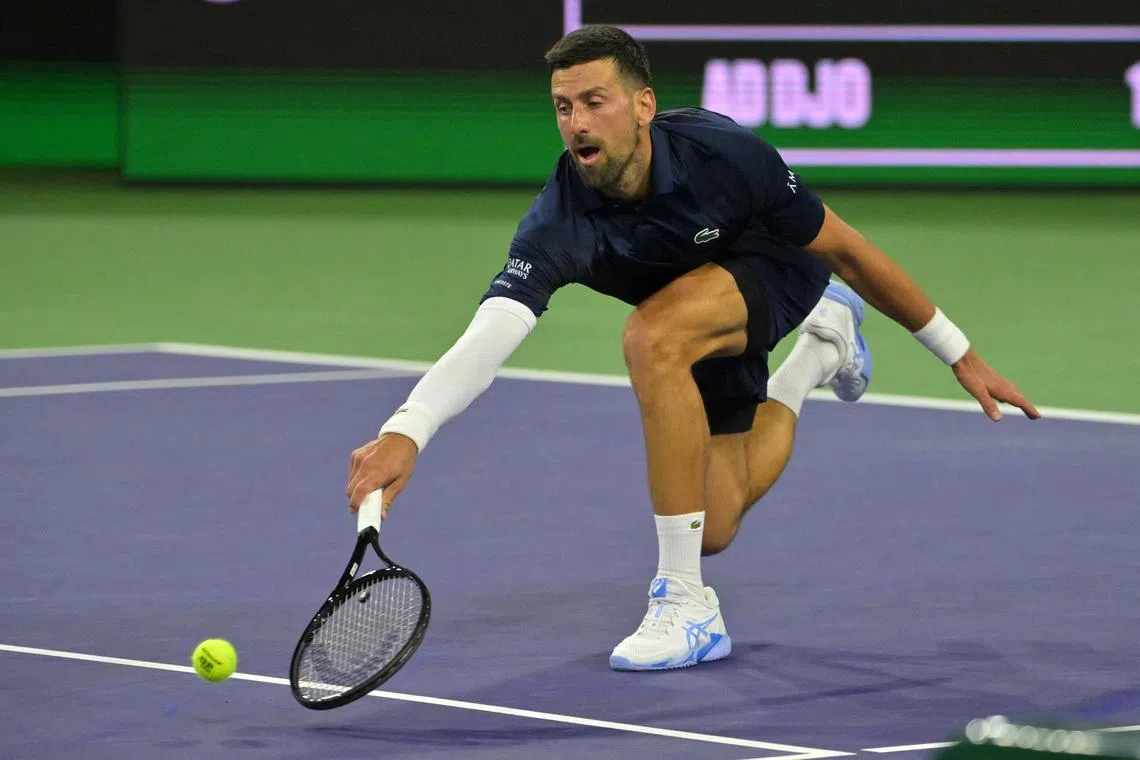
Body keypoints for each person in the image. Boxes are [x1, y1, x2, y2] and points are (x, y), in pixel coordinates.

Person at [345, 25, 1039, 671]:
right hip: (700, 317)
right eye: (563, 107)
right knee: (713, 523)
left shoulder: (723, 157)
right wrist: (407, 429)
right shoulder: (559, 221)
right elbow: (491, 332)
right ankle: (818, 356)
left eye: (595, 101)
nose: (578, 123)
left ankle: (685, 603)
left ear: (643, 105)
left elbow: (849, 250)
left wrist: (959, 353)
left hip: (779, 270)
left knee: (652, 336)